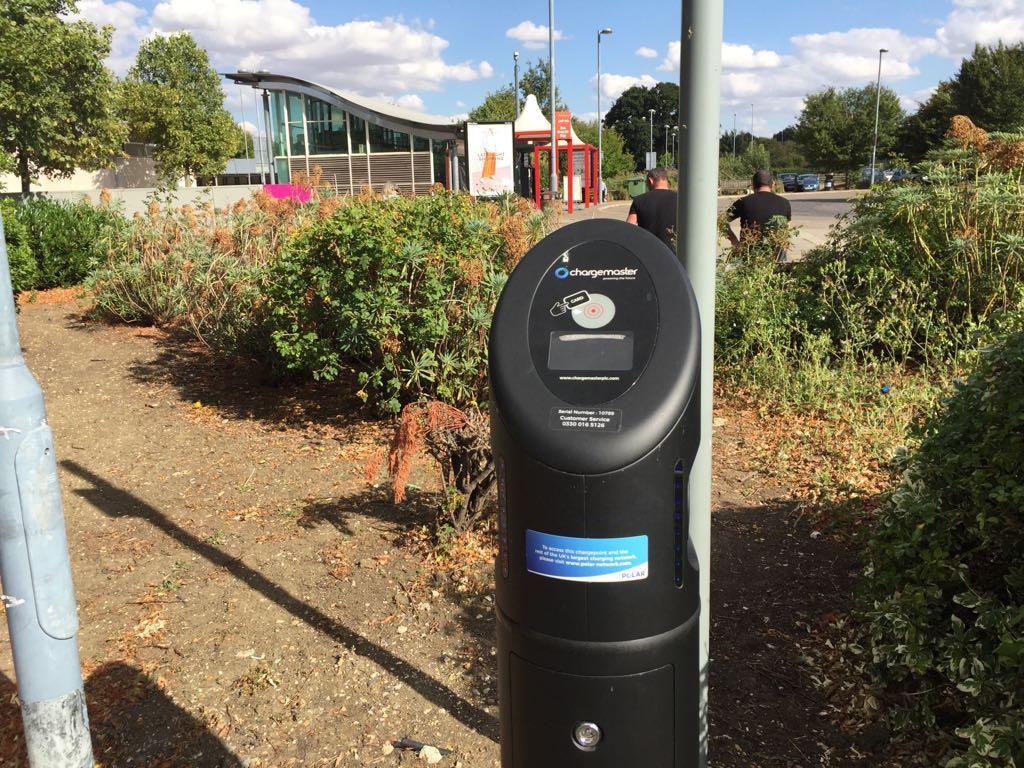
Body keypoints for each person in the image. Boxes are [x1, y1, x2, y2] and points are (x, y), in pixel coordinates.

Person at [725, 170, 792, 253]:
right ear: (773, 184)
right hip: (776, 252)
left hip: (749, 254)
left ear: (753, 185)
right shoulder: (784, 202)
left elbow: (721, 221)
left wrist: (734, 241)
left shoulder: (743, 202)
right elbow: (787, 225)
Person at [627, 167, 677, 249]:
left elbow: (629, 228)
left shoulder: (639, 200)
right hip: (673, 252)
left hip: (648, 250)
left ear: (650, 180)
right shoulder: (679, 199)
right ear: (666, 180)